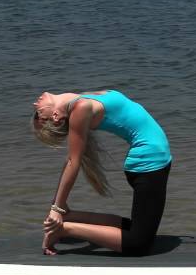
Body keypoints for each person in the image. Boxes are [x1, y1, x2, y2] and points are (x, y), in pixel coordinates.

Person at [31, 89, 172, 256]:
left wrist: (59, 207)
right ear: (55, 116)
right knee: (139, 245)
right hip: (149, 161)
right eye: (39, 113)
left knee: (134, 229)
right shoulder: (81, 107)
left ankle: (68, 217)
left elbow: (71, 160)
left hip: (153, 158)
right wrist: (57, 208)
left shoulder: (82, 99)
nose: (35, 104)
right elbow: (72, 162)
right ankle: (63, 229)